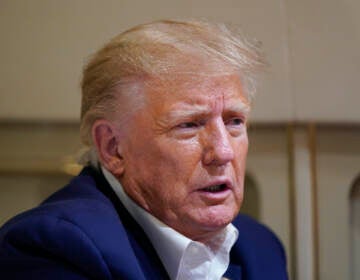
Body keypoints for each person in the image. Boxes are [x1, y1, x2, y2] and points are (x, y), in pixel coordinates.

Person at [0, 19, 288, 279]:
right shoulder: (53, 249)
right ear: (113, 148)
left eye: (234, 121)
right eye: (189, 125)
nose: (224, 152)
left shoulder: (260, 247)